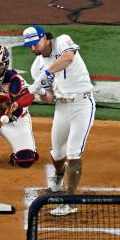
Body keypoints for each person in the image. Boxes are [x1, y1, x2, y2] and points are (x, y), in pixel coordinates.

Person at [23, 25, 95, 217]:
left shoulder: (62, 41)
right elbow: (49, 97)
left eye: (35, 43)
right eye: (29, 46)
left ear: (45, 38)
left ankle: (70, 202)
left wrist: (45, 75)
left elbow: (68, 58)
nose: (33, 49)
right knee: (57, 154)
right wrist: (40, 92)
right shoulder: (36, 67)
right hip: (62, 107)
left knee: (73, 153)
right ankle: (58, 174)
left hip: (82, 104)